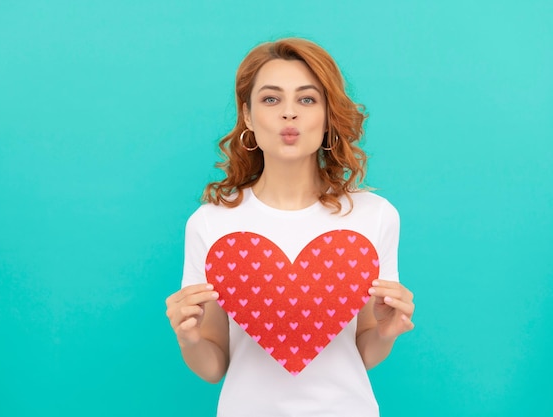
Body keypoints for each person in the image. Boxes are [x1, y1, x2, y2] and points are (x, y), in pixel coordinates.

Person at [165, 37, 415, 417]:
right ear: (248, 116)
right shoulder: (212, 224)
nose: (289, 114)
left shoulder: (374, 216)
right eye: (270, 99)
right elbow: (214, 365)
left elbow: (362, 351)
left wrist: (385, 332)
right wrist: (188, 338)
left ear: (328, 115)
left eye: (307, 99)